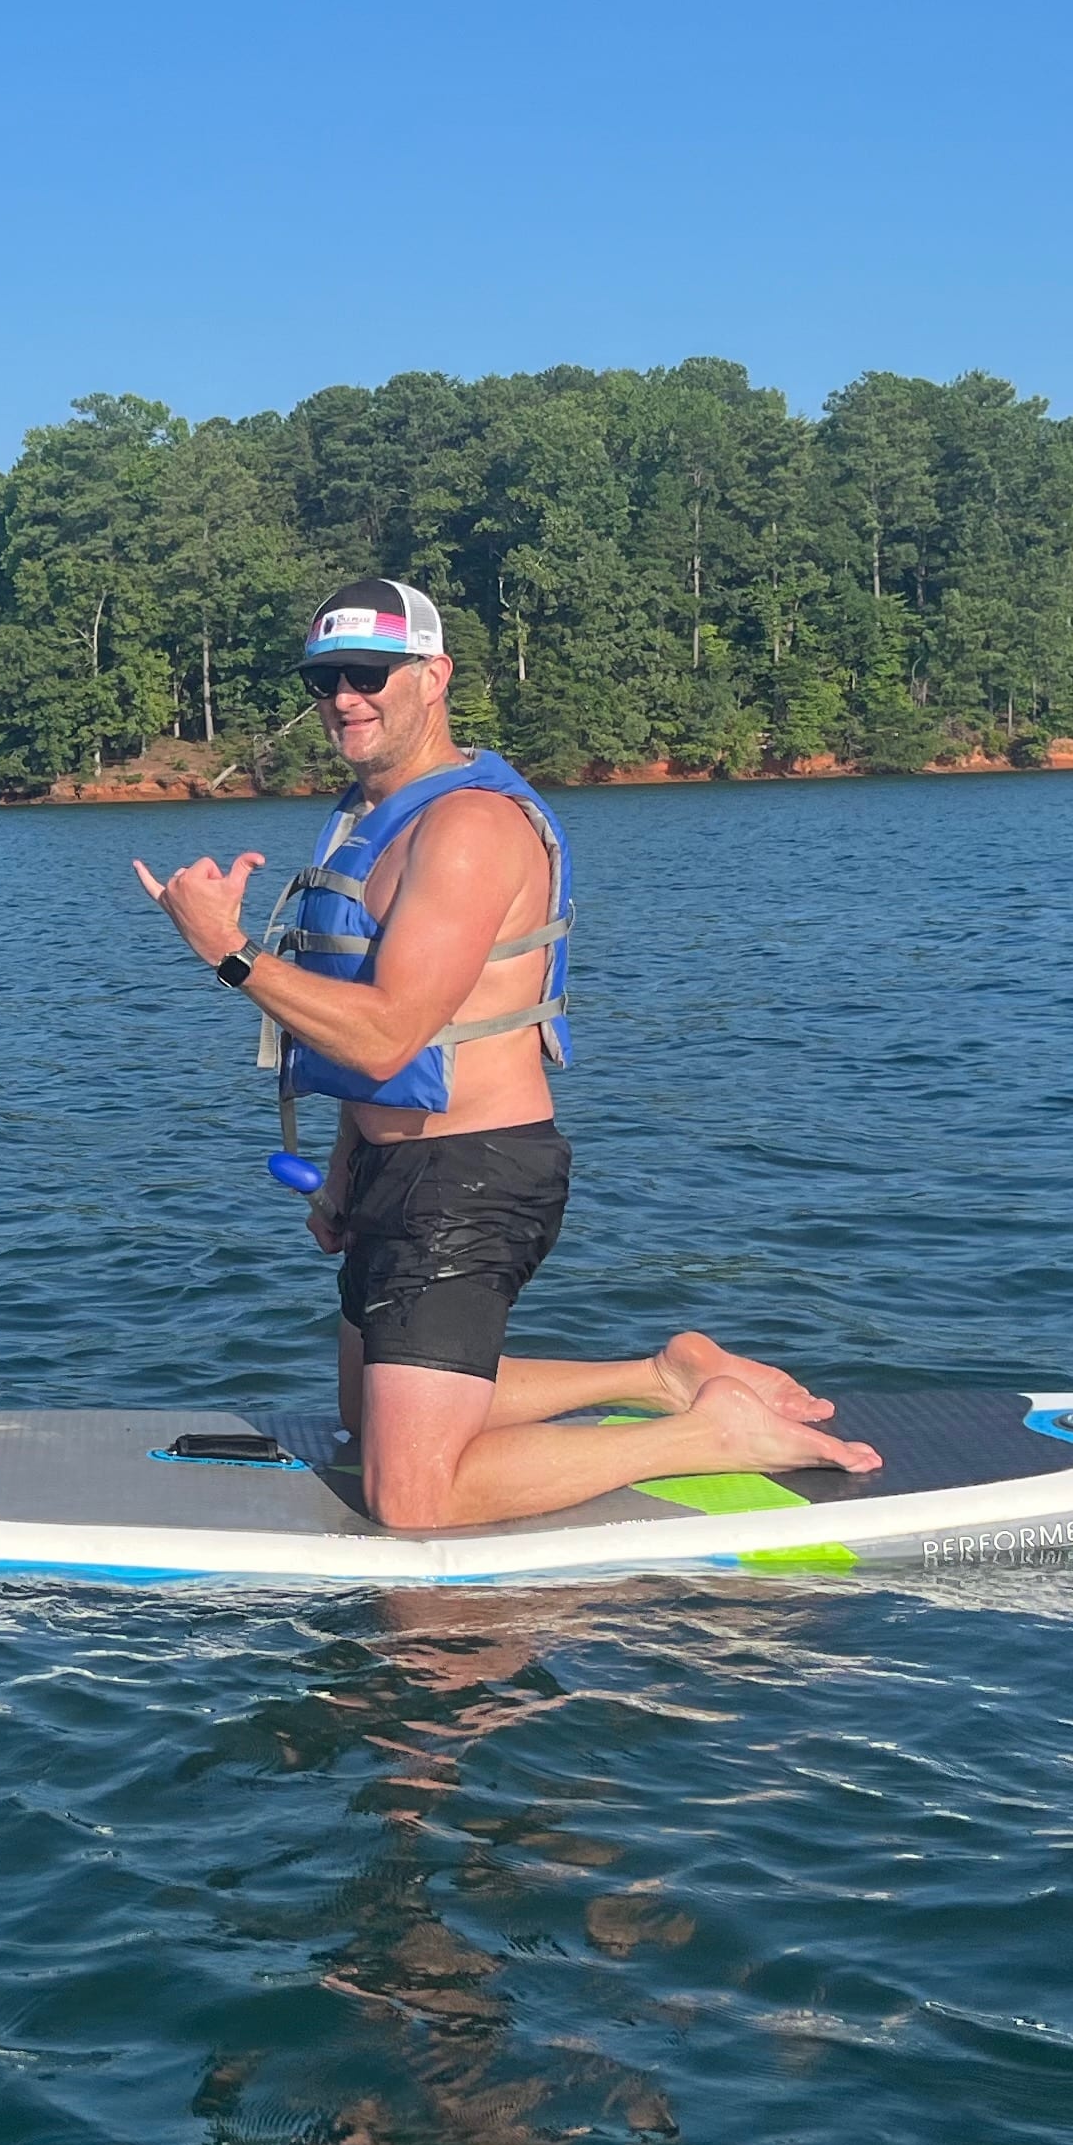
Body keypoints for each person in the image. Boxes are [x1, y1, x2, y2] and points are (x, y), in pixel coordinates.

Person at [134, 579, 879, 1530]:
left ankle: (711, 1434)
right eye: (325, 680)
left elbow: (389, 1033)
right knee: (365, 1420)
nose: (345, 698)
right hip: (393, 1167)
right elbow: (376, 1038)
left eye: (369, 674)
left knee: (412, 1496)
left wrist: (227, 950)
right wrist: (348, 1169)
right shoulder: (371, 816)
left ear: (434, 675)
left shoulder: (469, 828)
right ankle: (659, 1378)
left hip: (471, 1175)